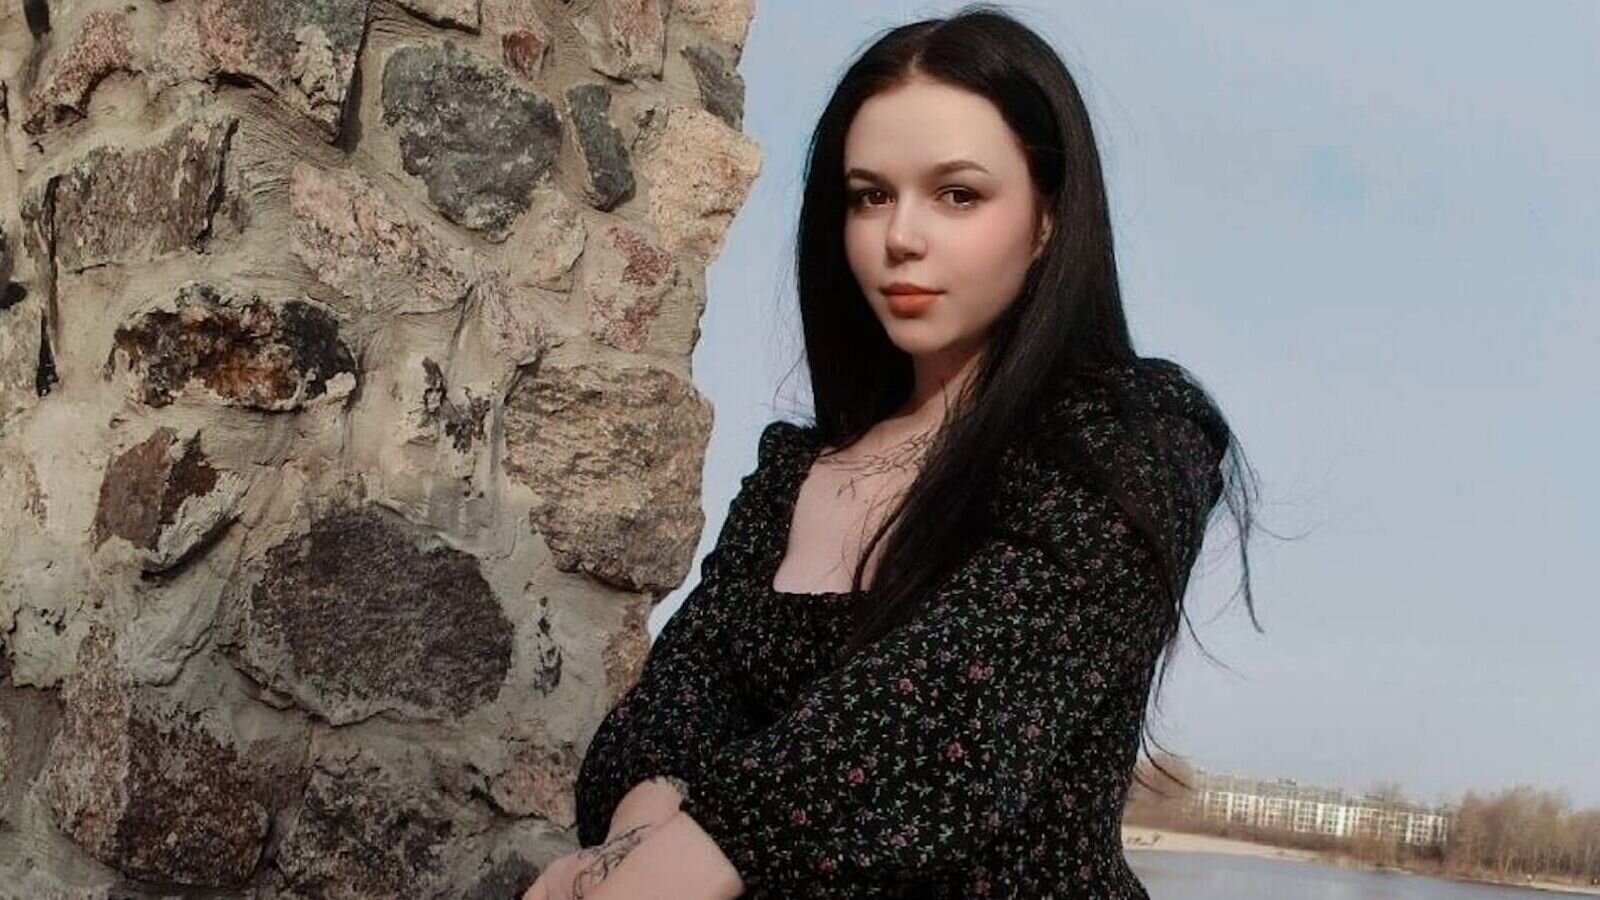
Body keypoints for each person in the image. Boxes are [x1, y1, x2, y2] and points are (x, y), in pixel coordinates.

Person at [523, 4, 1258, 898]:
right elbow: (670, 706)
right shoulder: (794, 475)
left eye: (958, 195)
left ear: (1047, 218)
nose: (900, 237)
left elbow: (958, 712)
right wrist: (630, 850)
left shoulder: (1129, 439)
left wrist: (696, 854)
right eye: (870, 195)